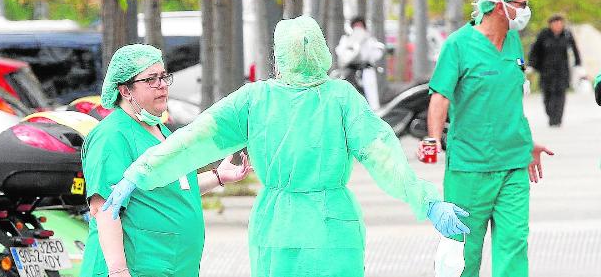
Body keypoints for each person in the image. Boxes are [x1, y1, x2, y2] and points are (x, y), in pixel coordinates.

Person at [103, 16, 470, 277]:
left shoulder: (254, 101)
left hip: (278, 229)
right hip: (334, 228)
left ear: (278, 55)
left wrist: (140, 173)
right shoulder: (342, 98)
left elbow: (193, 140)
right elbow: (385, 157)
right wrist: (427, 200)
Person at [80, 44, 252, 277]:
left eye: (163, 77)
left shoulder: (161, 131)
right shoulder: (112, 135)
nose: (162, 85)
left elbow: (172, 188)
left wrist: (218, 177)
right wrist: (119, 271)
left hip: (173, 267)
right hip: (137, 267)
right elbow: (104, 208)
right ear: (125, 90)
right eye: (151, 79)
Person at [427, 0, 554, 277]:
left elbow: (510, 100)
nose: (526, 10)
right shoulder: (458, 45)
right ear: (499, 6)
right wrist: (432, 139)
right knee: (463, 256)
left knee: (513, 246)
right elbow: (439, 98)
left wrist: (527, 142)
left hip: (513, 165)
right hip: (469, 169)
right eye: (520, 4)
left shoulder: (513, 44)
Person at [529, 14, 582, 126]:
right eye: (555, 23)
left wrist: (578, 64)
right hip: (546, 71)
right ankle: (551, 114)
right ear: (550, 24)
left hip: (562, 71)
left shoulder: (567, 34)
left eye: (560, 23)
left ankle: (557, 119)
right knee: (547, 96)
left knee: (560, 95)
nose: (558, 26)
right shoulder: (544, 34)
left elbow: (575, 49)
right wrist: (532, 65)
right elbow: (535, 50)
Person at [335, 16, 385, 108]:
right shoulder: (346, 39)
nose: (358, 28)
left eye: (360, 26)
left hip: (366, 72)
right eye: (356, 26)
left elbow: (376, 53)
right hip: (350, 73)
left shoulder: (369, 39)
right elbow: (342, 53)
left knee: (370, 98)